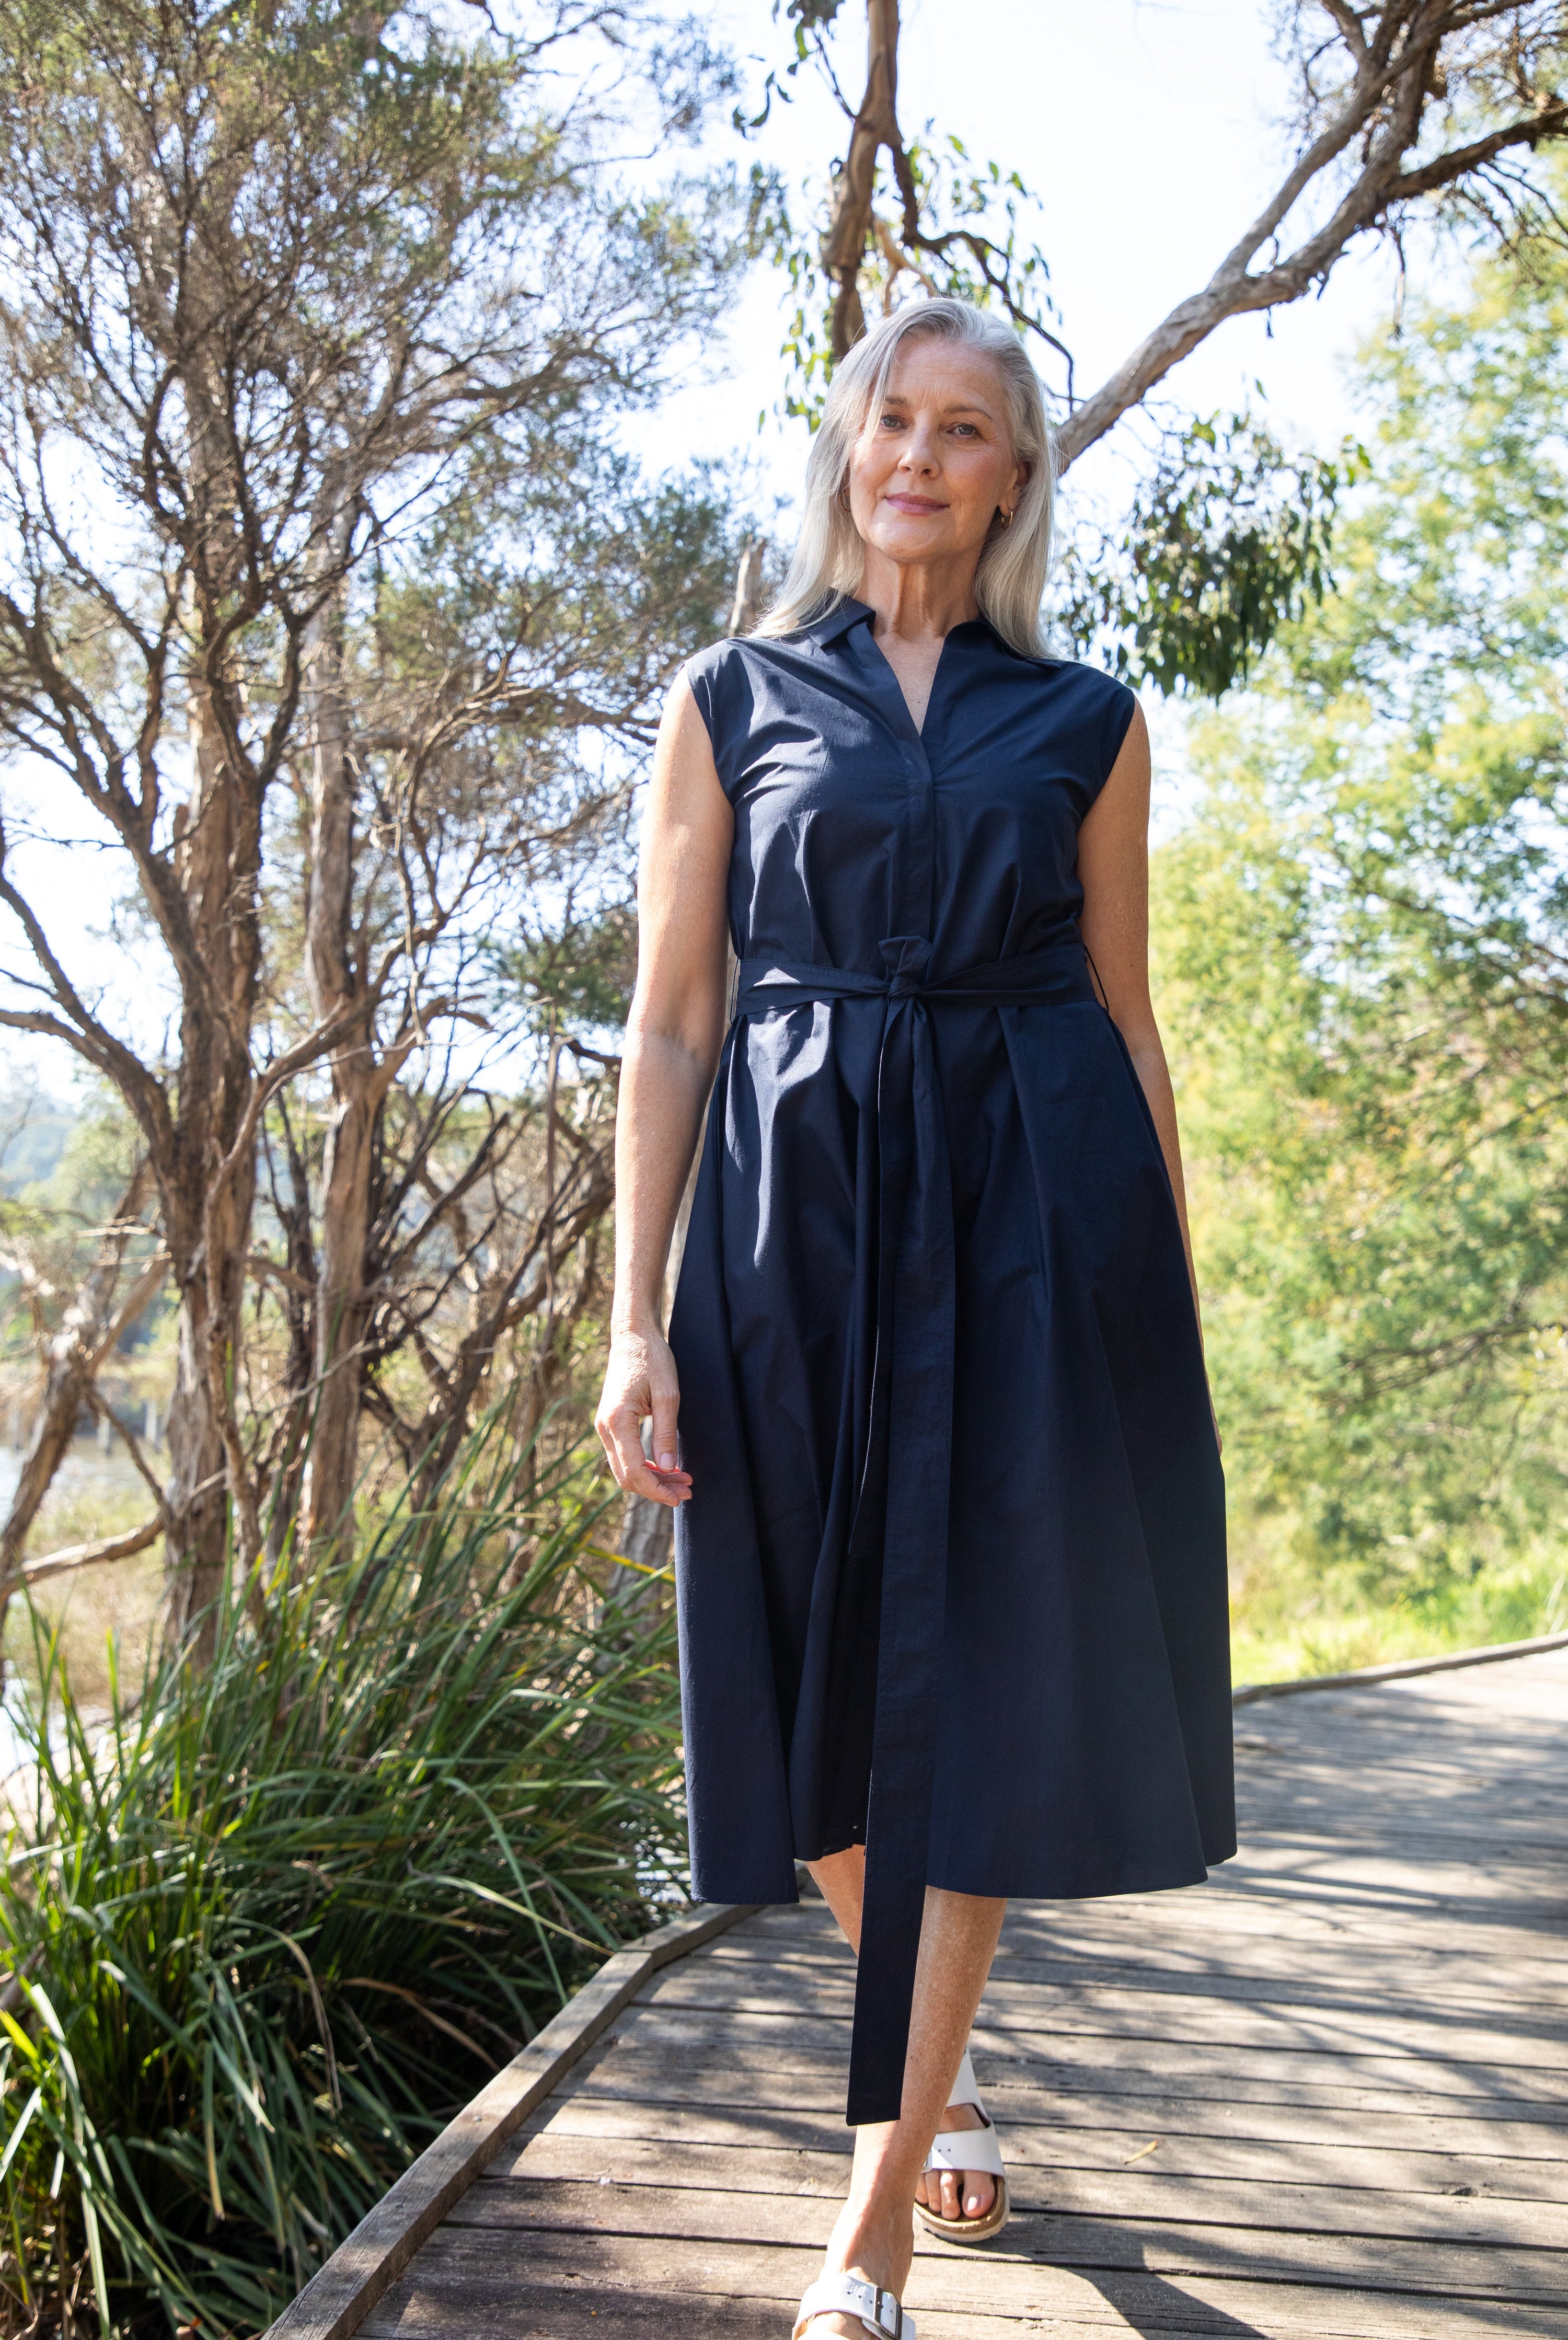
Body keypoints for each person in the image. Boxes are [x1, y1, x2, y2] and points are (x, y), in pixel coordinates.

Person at [595, 295, 1234, 2340]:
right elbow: (672, 1021)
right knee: (795, 1683)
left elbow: (1127, 1018)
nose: (921, 457)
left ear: (1013, 476)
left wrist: (1161, 1302)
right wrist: (633, 1318)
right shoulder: (729, 696)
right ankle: (936, 2065)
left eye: (966, 429)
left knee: (978, 1690)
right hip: (785, 1218)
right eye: (894, 418)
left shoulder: (1090, 722)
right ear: (848, 447)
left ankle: (866, 2228)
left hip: (1037, 1219)